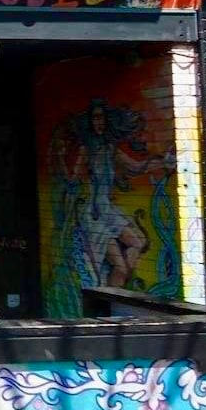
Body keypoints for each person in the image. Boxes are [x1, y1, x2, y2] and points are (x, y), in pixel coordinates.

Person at [55, 100, 171, 288]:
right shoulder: (87, 150)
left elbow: (136, 167)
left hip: (107, 209)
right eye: (95, 118)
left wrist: (164, 163)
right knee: (121, 266)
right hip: (94, 215)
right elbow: (72, 180)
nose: (99, 122)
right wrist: (60, 159)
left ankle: (119, 289)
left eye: (102, 117)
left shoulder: (110, 149)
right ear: (90, 122)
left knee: (138, 243)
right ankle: (112, 302)